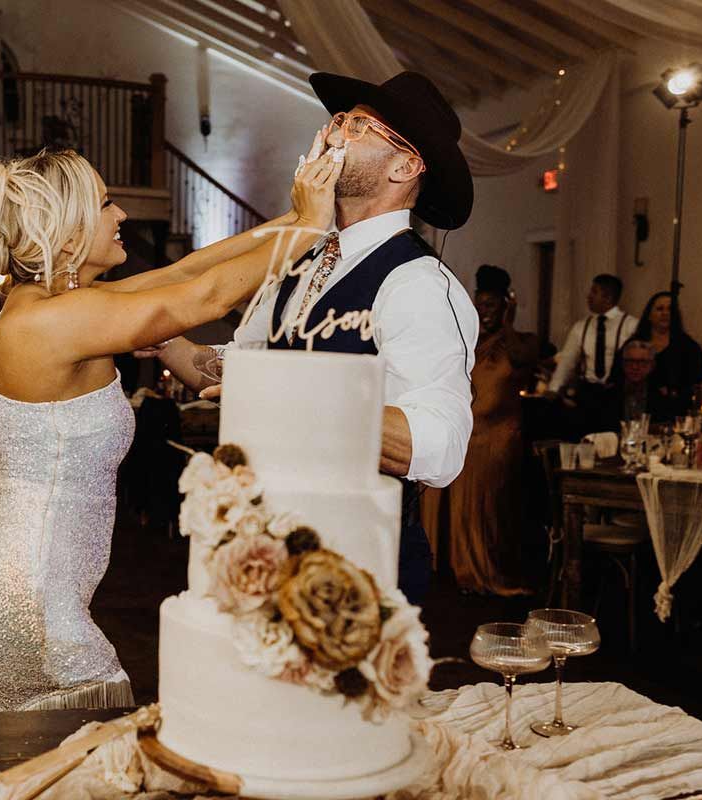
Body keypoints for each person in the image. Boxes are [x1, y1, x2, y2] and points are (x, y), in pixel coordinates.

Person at [0, 141, 340, 712]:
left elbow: (187, 270)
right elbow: (204, 295)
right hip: (27, 602)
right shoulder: (54, 321)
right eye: (106, 204)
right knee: (97, 772)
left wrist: (298, 220)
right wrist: (313, 227)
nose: (121, 214)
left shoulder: (57, 303)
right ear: (71, 231)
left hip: (10, 593)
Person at [143, 71, 478, 605]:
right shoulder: (299, 258)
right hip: (266, 552)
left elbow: (439, 446)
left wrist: (288, 394)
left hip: (358, 569)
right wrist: (161, 338)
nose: (336, 132)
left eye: (360, 125)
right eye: (340, 119)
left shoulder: (418, 283)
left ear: (406, 165)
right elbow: (242, 366)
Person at [422, 265, 535, 596]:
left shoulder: (521, 341)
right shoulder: (467, 338)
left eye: (491, 305)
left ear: (505, 305)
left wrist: (509, 323)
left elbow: (521, 357)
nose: (484, 312)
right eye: (480, 304)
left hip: (497, 436)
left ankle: (484, 569)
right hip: (463, 432)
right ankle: (441, 568)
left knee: (487, 505)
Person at [547, 274, 638, 434]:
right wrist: (554, 388)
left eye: (594, 292)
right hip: (588, 393)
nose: (588, 297)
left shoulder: (630, 325)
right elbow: (568, 361)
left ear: (608, 297)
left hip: (617, 394)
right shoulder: (582, 326)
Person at [631, 291, 702, 420]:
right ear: (649, 315)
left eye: (670, 309)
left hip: (675, 415)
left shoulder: (688, 347)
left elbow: (697, 385)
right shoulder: (634, 344)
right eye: (659, 309)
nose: (665, 313)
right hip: (639, 413)